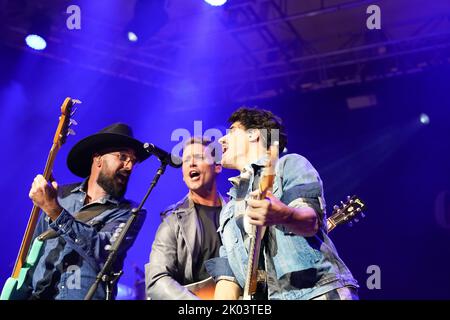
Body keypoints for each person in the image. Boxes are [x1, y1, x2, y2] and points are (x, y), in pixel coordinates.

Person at [206, 107, 359, 300]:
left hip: (316, 293)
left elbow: (311, 221)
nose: (221, 139)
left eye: (232, 131)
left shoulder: (287, 166)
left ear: (254, 135)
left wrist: (283, 214)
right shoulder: (228, 209)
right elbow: (229, 273)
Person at [24, 123, 149, 299]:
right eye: (122, 156)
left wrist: (54, 210)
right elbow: (32, 253)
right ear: (98, 158)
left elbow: (104, 251)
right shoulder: (59, 196)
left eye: (133, 161)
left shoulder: (130, 212)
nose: (129, 166)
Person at [145, 137, 225, 300]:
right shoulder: (172, 220)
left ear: (217, 166)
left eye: (199, 158)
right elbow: (156, 280)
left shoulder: (237, 212)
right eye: (186, 160)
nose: (191, 163)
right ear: (183, 175)